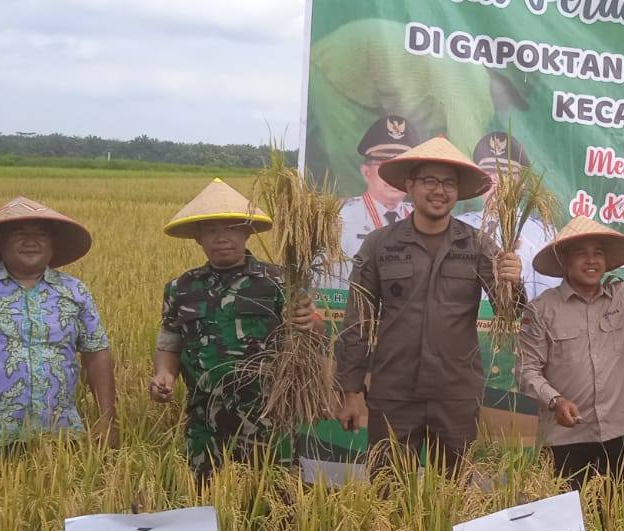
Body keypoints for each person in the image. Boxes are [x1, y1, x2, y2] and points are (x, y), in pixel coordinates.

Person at [335, 136, 522, 471]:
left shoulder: (478, 245)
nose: (440, 191)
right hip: (394, 392)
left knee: (451, 496)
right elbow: (357, 321)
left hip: (455, 394)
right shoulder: (380, 244)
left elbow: (510, 312)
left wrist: (513, 282)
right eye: (430, 181)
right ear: (410, 184)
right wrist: (350, 390)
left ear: (458, 191)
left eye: (449, 183)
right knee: (389, 496)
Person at [0, 197, 115, 479]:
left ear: (53, 244)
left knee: (59, 519)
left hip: (60, 436)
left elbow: (97, 355)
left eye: (40, 234)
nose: (31, 242)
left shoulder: (74, 291)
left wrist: (108, 421)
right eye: (20, 234)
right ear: (0, 242)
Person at [148, 178, 323, 480]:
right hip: (205, 421)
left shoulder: (280, 281)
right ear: (198, 239)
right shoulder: (180, 288)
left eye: (231, 228)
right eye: (211, 230)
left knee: (276, 503)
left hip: (269, 418)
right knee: (206, 504)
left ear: (247, 232)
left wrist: (311, 322)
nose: (221, 237)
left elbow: (312, 334)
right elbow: (170, 341)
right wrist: (164, 374)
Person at [516, 216, 624, 484]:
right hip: (564, 438)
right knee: (567, 518)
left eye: (598, 253)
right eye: (581, 254)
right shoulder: (541, 310)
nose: (591, 260)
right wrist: (555, 400)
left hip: (614, 435)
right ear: (564, 261)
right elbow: (527, 371)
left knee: (612, 516)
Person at [456, 130, 561, 301]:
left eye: (507, 173)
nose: (497, 180)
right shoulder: (458, 227)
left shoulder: (544, 234)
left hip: (524, 324)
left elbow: (549, 296)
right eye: (489, 171)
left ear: (523, 182)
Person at [323, 113, 420, 289]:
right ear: (366, 172)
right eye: (385, 166)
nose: (393, 175)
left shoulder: (421, 218)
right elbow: (324, 286)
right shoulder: (340, 218)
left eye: (401, 167)